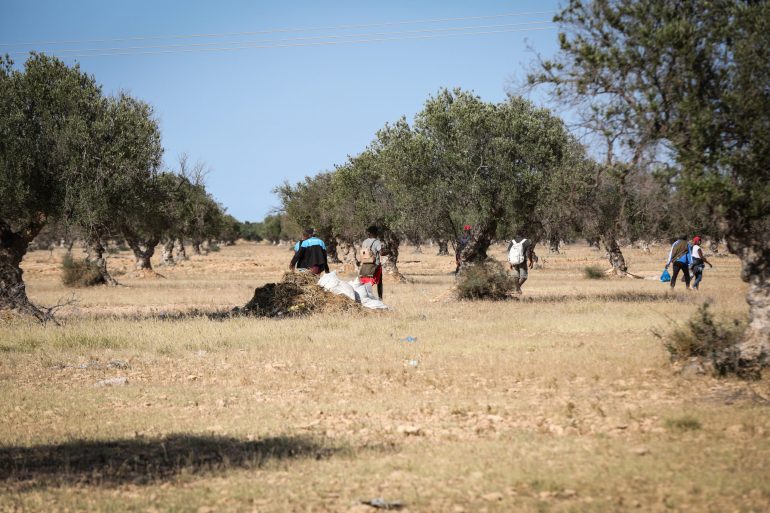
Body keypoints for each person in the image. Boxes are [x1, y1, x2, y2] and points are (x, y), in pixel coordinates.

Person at [358, 225, 389, 300]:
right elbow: (381, 253)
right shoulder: (377, 242)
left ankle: (363, 297)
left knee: (364, 282)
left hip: (365, 265)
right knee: (379, 283)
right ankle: (380, 298)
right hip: (375, 265)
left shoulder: (364, 242)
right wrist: (388, 251)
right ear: (375, 233)